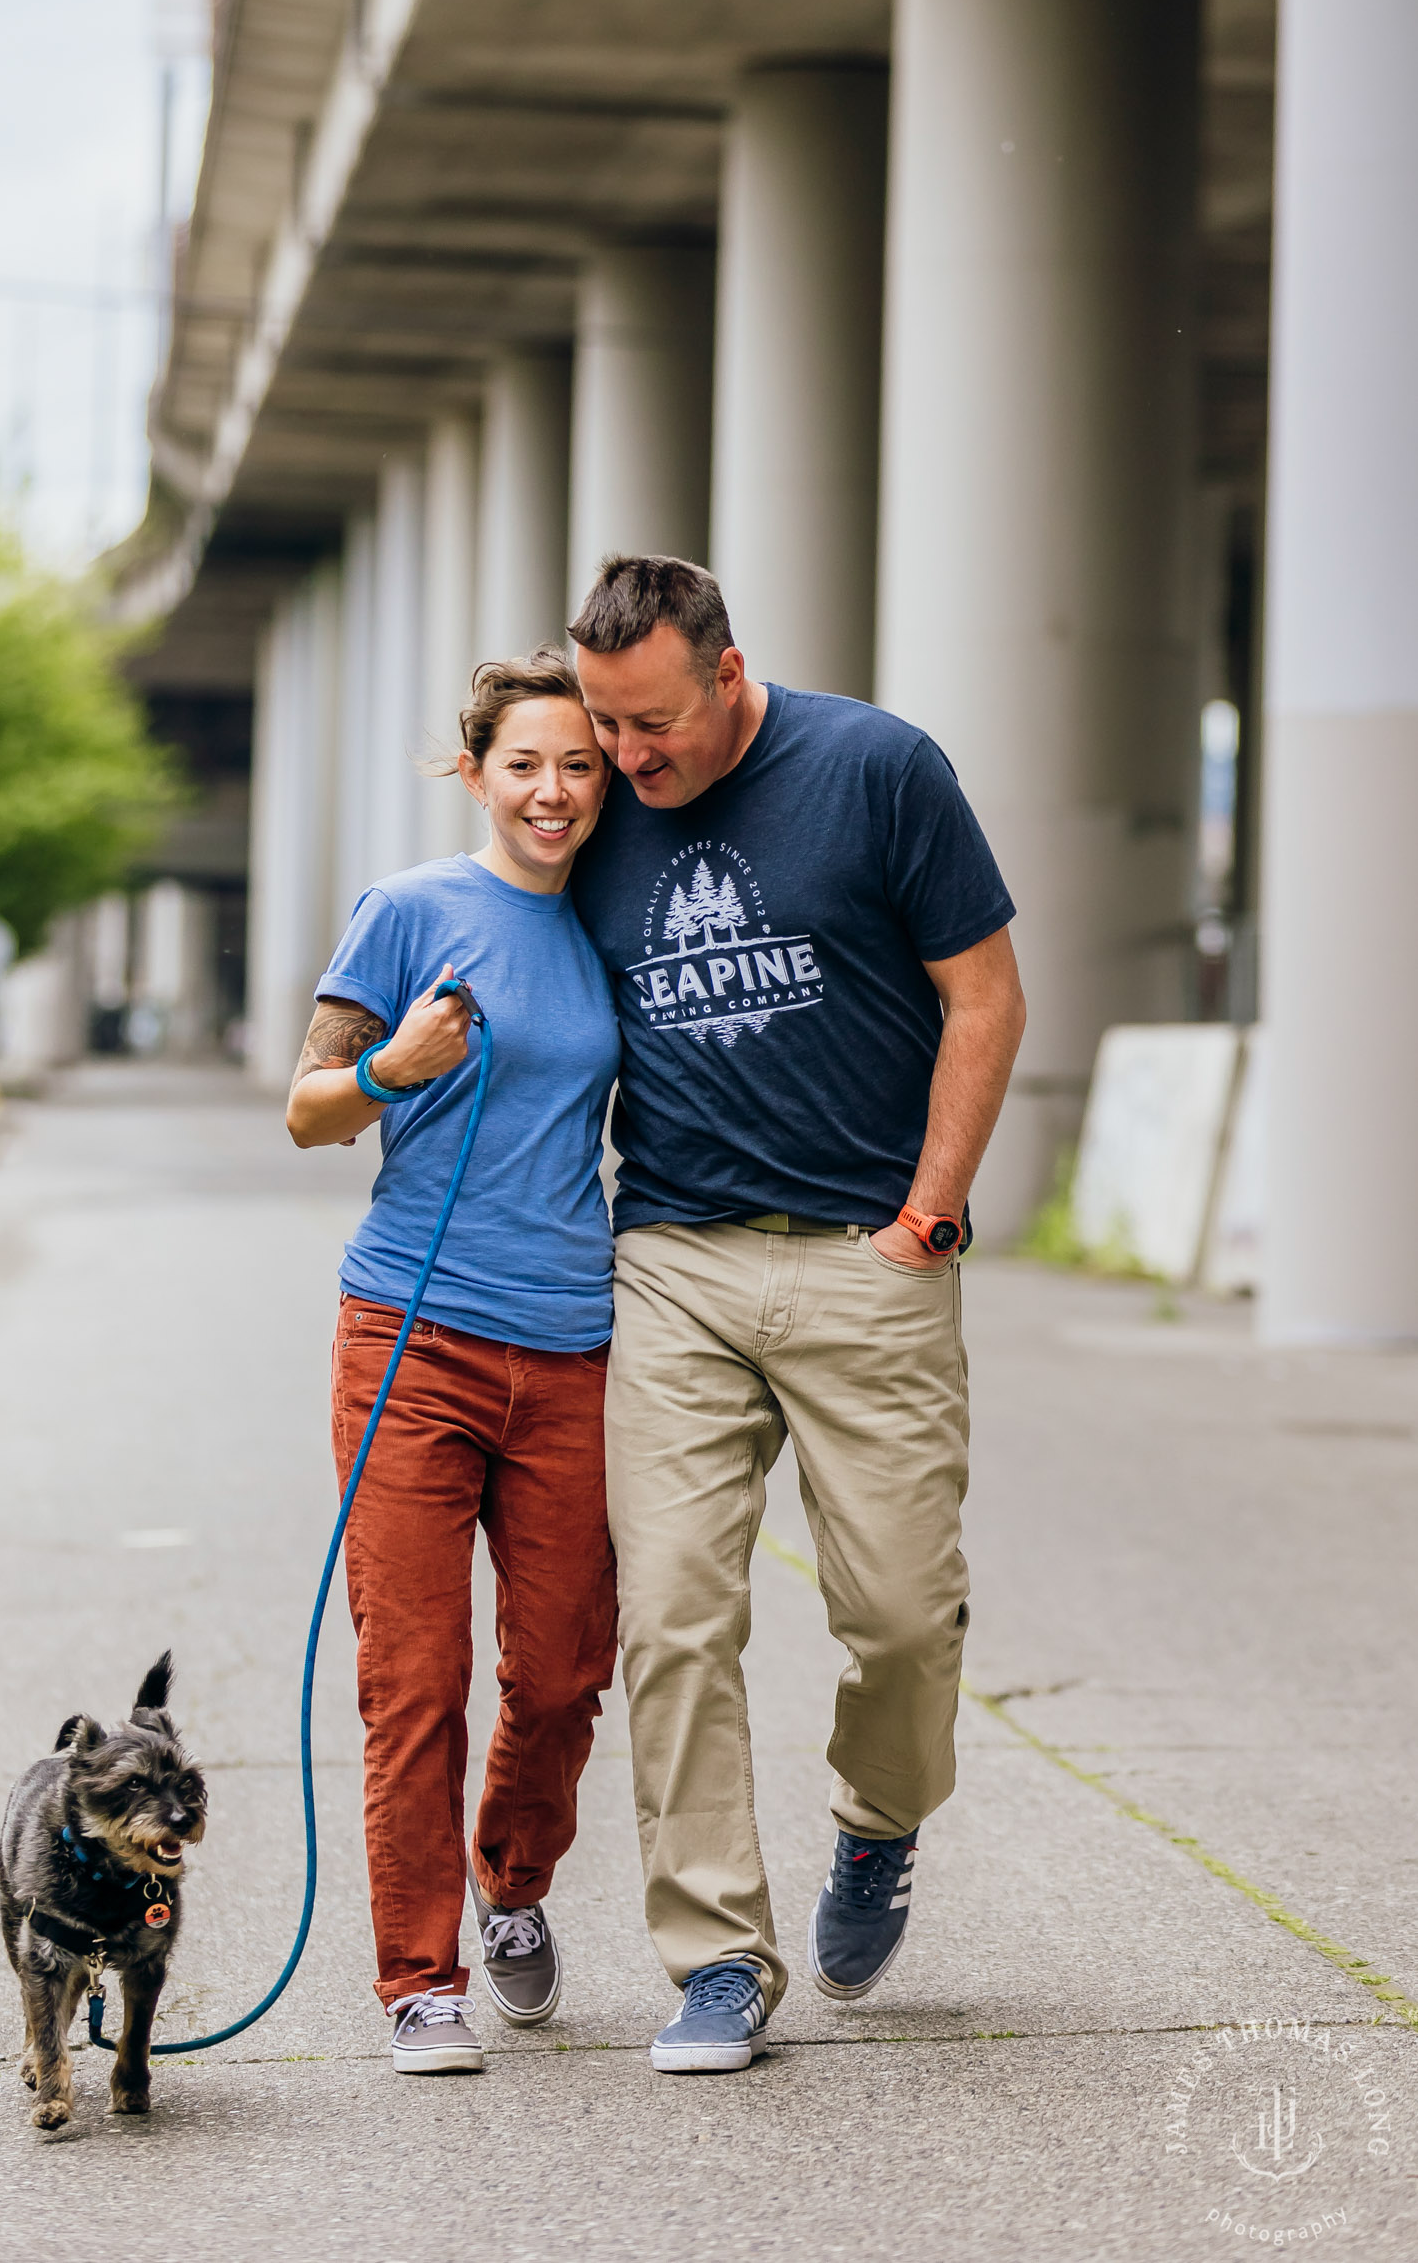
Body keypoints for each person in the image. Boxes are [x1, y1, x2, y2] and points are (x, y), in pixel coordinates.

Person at [567, 554, 1026, 2074]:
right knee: (675, 1618)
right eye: (604, 725)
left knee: (901, 1615)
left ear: (728, 671)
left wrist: (928, 1217)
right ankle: (714, 1960)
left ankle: (878, 1821)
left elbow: (986, 996)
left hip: (864, 1256)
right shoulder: (602, 805)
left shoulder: (877, 769)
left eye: (653, 726)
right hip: (677, 1264)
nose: (631, 760)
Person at [285, 647, 620, 2077]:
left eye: (581, 766)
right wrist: (390, 1071)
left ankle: (515, 1881)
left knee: (560, 1670)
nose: (553, 791)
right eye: (527, 763)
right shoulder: (410, 911)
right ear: (476, 771)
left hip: (571, 1349)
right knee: (413, 1678)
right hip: (410, 1342)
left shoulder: (614, 922)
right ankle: (419, 1982)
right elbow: (306, 1111)